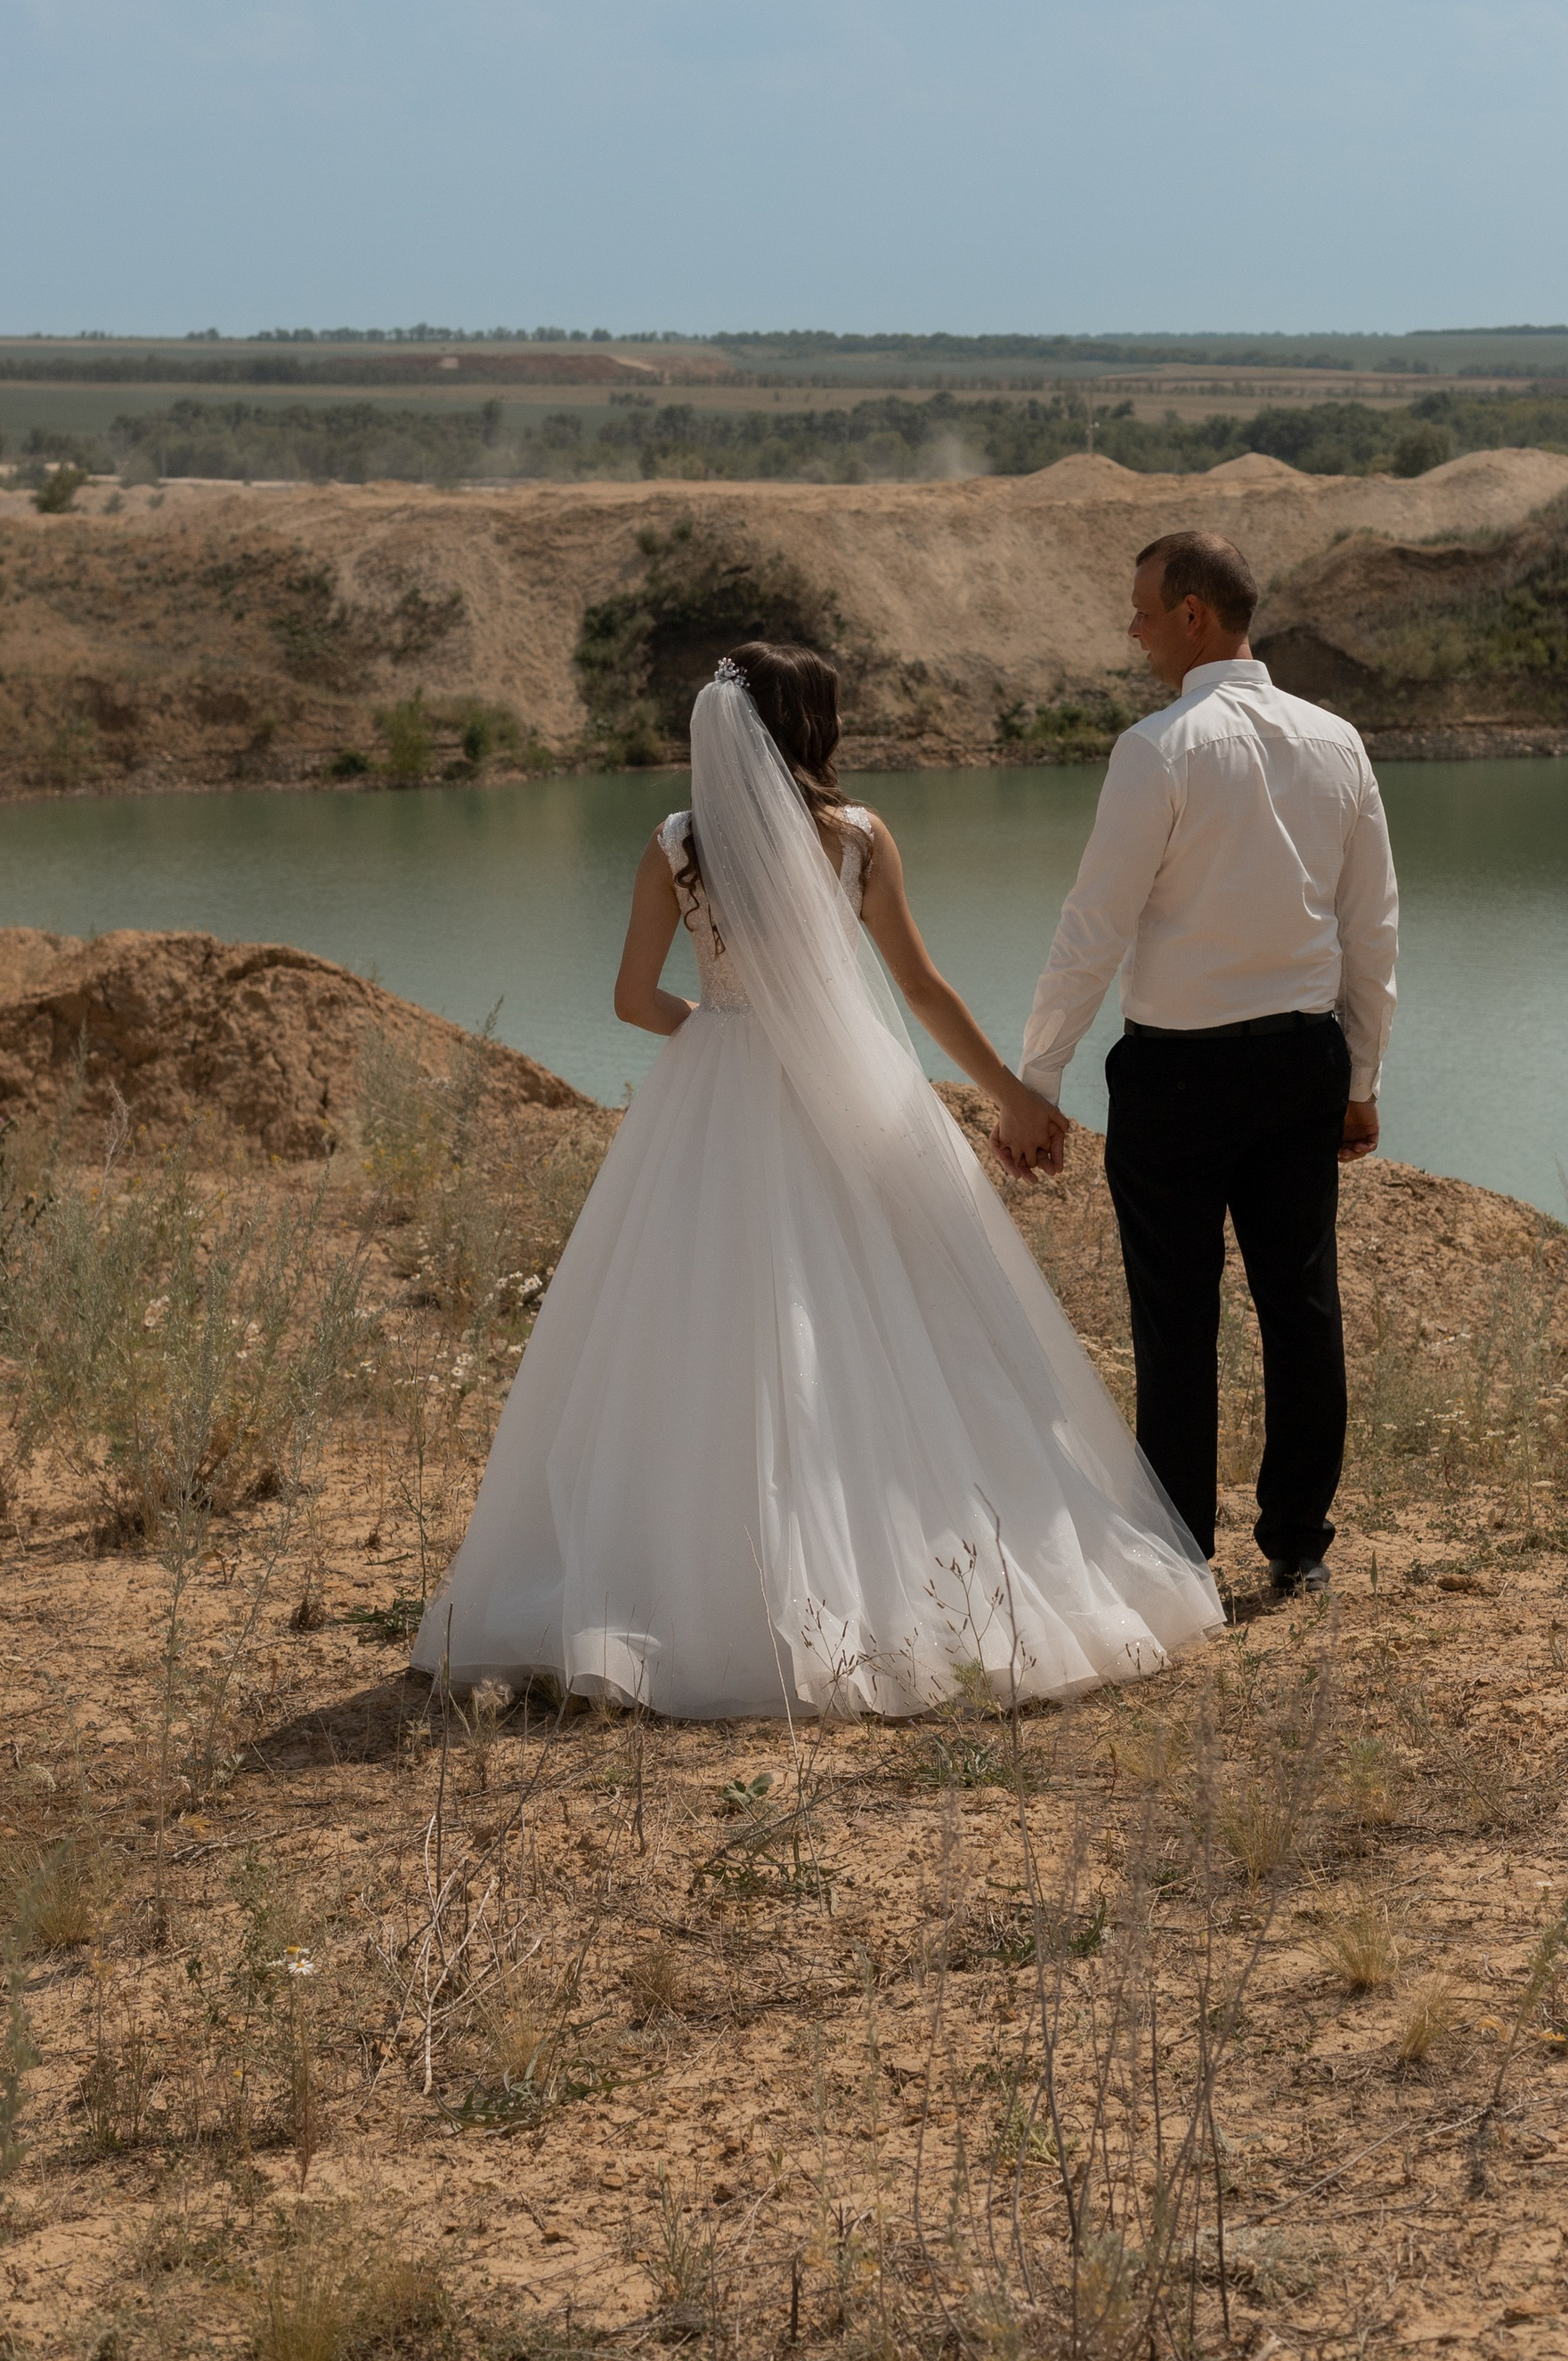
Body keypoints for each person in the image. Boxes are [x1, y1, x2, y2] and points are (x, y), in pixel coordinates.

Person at [412, 641, 1222, 1719]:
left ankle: (682, 1583)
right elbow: (922, 990)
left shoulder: (676, 846)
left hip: (715, 1089)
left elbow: (627, 998)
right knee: (895, 1313)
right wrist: (1012, 1098)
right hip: (851, 1086)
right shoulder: (856, 837)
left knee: (694, 1326)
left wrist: (715, 1031)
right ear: (811, 727)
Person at [1012, 531, 1398, 1595]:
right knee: (1300, 1305)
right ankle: (1298, 1547)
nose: (1130, 631)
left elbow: (1092, 926)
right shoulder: (1336, 741)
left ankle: (1181, 1552)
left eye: (1140, 611)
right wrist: (1362, 1076)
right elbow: (1373, 930)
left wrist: (1036, 1081)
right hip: (1301, 1064)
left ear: (1192, 615)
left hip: (1177, 1076)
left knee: (1176, 1318)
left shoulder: (1159, 748)